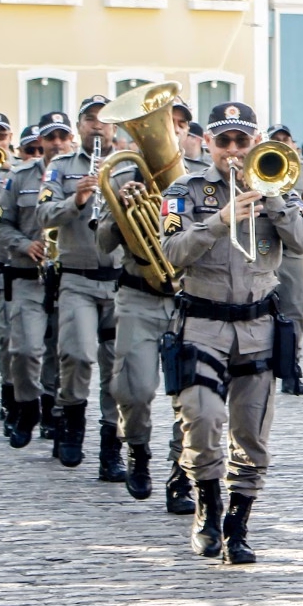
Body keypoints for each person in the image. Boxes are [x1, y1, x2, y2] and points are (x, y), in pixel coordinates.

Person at [159, 101, 303, 564]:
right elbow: (171, 250)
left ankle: (238, 524)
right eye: (223, 141)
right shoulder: (181, 190)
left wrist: (273, 199)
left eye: (241, 142)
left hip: (258, 327)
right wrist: (220, 220)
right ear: (207, 142)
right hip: (201, 323)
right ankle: (207, 504)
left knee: (251, 435)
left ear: (254, 144)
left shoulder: (281, 184)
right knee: (203, 421)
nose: (232, 150)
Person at [95, 101, 209, 504]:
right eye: (167, 123)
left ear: (186, 131)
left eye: (178, 124)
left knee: (191, 396)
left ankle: (181, 472)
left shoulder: (204, 179)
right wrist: (118, 210)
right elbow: (102, 244)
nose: (172, 131)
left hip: (190, 300)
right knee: (135, 389)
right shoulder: (125, 175)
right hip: (139, 297)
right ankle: (138, 451)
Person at [36, 96, 125, 477]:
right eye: (90, 120)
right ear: (79, 127)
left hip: (120, 281)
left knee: (117, 369)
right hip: (76, 277)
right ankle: (70, 425)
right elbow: (42, 212)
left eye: (104, 121)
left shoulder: (128, 167)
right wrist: (77, 200)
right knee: (76, 355)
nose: (97, 126)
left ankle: (111, 448)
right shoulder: (59, 168)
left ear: (114, 128)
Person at [0, 113, 70, 449]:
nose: (55, 144)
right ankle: (26, 405)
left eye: (61, 137)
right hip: (27, 276)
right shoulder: (20, 176)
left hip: (67, 277)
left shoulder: (81, 177)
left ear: (70, 141)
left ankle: (54, 411)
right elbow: (1, 224)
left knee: (62, 352)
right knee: (24, 349)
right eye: (50, 138)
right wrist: (25, 245)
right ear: (40, 141)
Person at [265, 124, 303, 396]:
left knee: (293, 311)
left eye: (285, 139)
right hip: (263, 246)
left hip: (293, 250)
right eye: (275, 139)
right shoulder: (257, 164)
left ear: (293, 143)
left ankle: (291, 368)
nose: (281, 143)